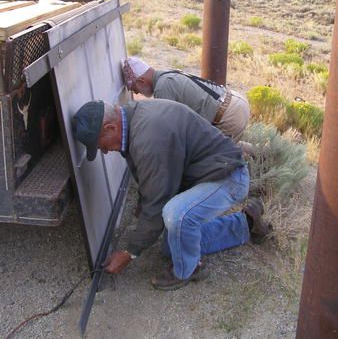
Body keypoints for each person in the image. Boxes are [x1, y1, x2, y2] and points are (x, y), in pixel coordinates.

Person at [72, 98, 269, 291]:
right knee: (172, 245)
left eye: (100, 144)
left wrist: (129, 252)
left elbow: (157, 202)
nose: (104, 151)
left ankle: (188, 271)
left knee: (176, 216)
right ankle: (247, 223)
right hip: (207, 173)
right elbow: (152, 180)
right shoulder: (134, 118)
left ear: (110, 128)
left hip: (228, 178)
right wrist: (144, 206)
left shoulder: (148, 137)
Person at [121, 56, 250, 142]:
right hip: (236, 102)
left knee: (213, 163)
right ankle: (261, 154)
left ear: (142, 81)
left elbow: (170, 131)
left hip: (228, 116)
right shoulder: (168, 75)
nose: (136, 92)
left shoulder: (162, 87)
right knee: (227, 147)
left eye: (134, 88)